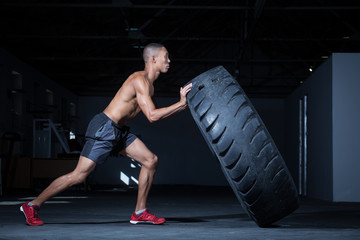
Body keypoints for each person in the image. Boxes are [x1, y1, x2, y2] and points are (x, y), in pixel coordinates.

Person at [20, 43, 192, 226]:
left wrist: (181, 106)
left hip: (118, 131)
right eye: (166, 56)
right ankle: (32, 205)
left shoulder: (149, 86)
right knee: (79, 175)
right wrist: (181, 104)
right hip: (104, 127)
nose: (169, 61)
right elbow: (152, 116)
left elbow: (158, 114)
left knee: (151, 160)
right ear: (153, 59)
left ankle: (140, 212)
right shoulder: (139, 80)